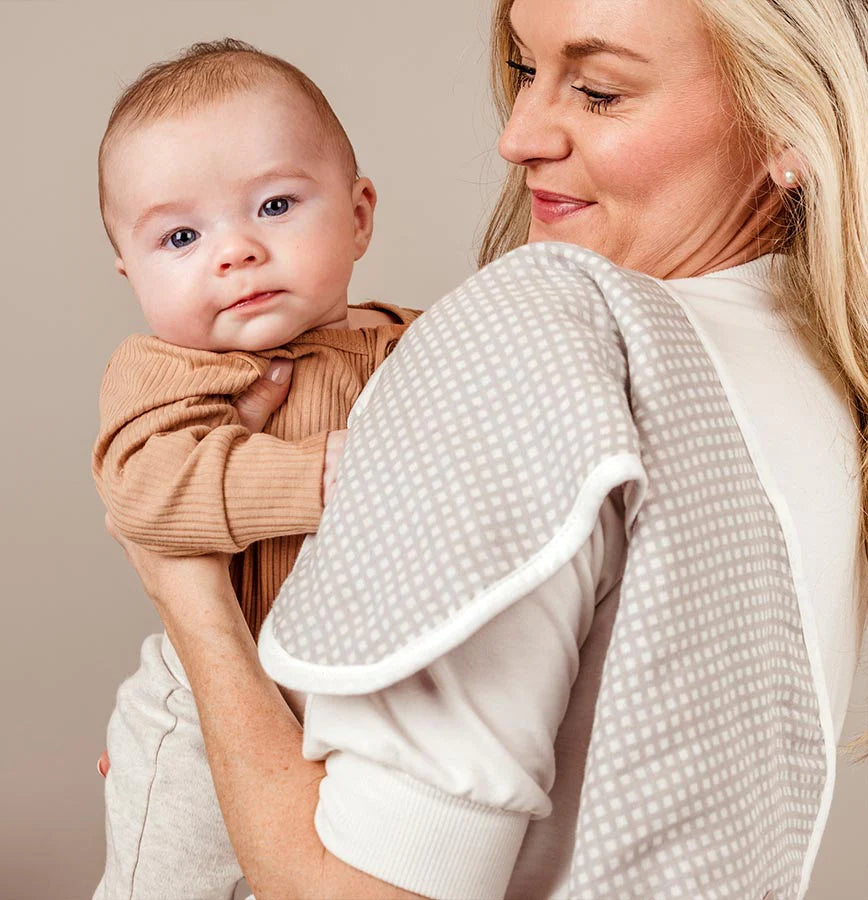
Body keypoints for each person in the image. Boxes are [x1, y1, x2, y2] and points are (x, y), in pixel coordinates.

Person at [103, 0, 868, 897]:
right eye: (523, 71)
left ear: (788, 120)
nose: (516, 136)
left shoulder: (525, 336)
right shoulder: (813, 377)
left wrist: (184, 592)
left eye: (600, 90)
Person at [91, 40, 420, 900]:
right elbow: (145, 491)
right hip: (206, 708)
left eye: (275, 205)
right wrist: (316, 478)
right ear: (131, 271)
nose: (234, 251)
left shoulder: (419, 344)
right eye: (181, 236)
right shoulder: (169, 373)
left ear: (358, 214)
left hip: (365, 713)